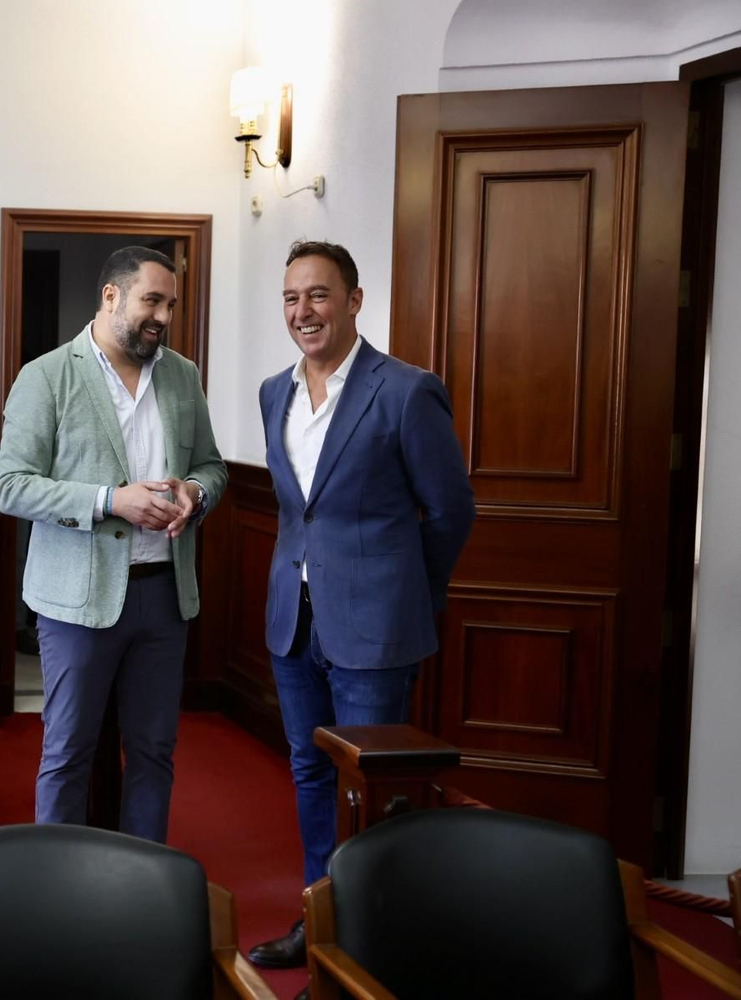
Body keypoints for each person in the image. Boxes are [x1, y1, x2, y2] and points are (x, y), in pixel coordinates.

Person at [247, 240, 475, 992]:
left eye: (318, 294)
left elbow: (450, 511)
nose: (302, 311)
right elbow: (299, 510)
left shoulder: (406, 390)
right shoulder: (273, 392)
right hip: (294, 618)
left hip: (376, 626)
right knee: (311, 772)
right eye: (290, 298)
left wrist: (409, 592)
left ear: (353, 300)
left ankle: (369, 949)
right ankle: (321, 923)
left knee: (368, 787)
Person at [0, 244, 227, 843]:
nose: (163, 317)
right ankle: (59, 883)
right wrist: (109, 501)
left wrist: (195, 492)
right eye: (153, 301)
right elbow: (10, 486)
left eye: (171, 305)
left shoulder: (182, 375)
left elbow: (212, 465)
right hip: (76, 603)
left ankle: (143, 880)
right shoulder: (46, 375)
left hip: (164, 598)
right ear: (111, 296)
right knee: (69, 751)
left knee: (154, 752)